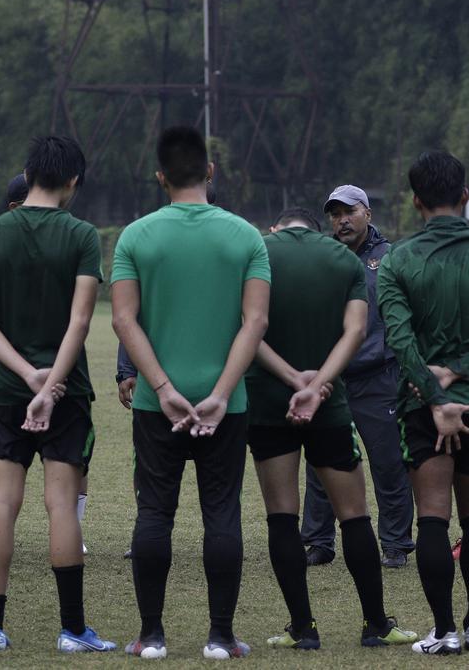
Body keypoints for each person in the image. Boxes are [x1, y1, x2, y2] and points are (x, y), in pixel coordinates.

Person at [111, 126, 269, 660]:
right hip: (228, 405)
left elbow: (125, 321)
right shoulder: (247, 237)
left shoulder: (135, 237)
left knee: (154, 513)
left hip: (160, 406)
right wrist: (222, 393)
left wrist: (161, 387)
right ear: (210, 171)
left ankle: (151, 636)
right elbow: (255, 322)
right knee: (222, 513)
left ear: (160, 177)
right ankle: (221, 637)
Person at [0, 136, 115, 653]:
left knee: (2, 503)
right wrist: (50, 382)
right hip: (66, 391)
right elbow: (80, 321)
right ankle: (73, 630)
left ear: (27, 173)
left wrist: (27, 378)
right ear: (73, 181)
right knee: (60, 506)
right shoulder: (81, 235)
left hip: (8, 390)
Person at [247, 207, 417, 651]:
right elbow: (357, 331)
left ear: (276, 227)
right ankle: (376, 624)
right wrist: (319, 382)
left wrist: (293, 380)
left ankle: (302, 629)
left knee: (282, 516)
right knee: (355, 515)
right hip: (329, 404)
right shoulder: (344, 259)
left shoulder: (257, 252)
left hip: (269, 402)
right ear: (317, 229)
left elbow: (249, 328)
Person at [379, 150, 469, 655]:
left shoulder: (397, 259)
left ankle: (442, 632)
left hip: (422, 407)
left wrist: (437, 393)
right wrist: (460, 372)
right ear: (465, 196)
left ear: (415, 200)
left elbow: (400, 342)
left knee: (433, 518)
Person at [302, 185, 415, 569]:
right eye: (334, 214)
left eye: (348, 211)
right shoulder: (325, 257)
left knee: (388, 464)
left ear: (367, 212)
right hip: (332, 379)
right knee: (322, 462)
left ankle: (396, 544)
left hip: (379, 377)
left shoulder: (391, 258)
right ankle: (318, 541)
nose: (341, 220)